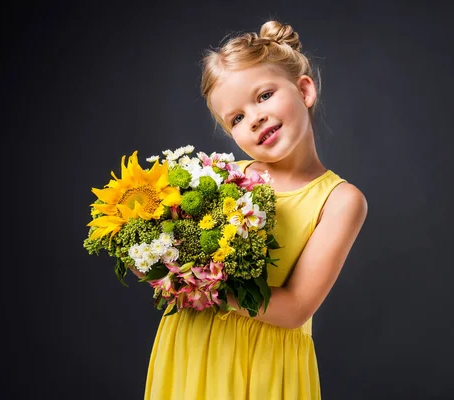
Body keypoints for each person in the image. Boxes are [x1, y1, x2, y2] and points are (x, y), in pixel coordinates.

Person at [133, 19, 368, 400]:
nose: (254, 118)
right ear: (231, 136)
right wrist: (156, 255)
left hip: (263, 363)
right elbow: (173, 249)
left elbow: (295, 309)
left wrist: (203, 288)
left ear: (304, 89)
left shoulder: (340, 201)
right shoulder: (217, 177)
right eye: (237, 119)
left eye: (264, 96)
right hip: (193, 345)